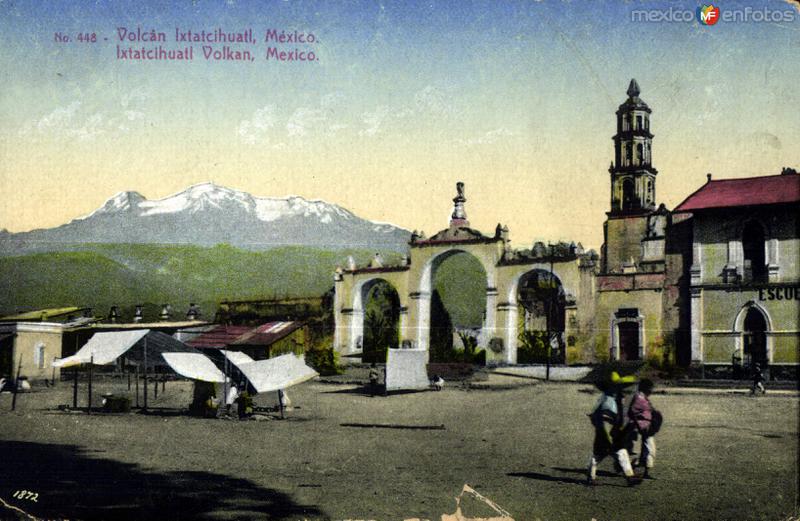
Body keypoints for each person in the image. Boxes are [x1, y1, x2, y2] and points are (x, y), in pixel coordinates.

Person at [587, 371, 641, 486]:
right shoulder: (609, 402)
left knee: (613, 454)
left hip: (607, 433)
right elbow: (605, 422)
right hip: (608, 434)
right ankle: (629, 476)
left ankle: (629, 476)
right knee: (603, 455)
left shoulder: (607, 398)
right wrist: (609, 438)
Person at [628, 378, 661, 479]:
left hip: (643, 428)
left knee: (646, 449)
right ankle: (642, 471)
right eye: (650, 388)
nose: (651, 391)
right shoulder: (640, 398)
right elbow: (634, 412)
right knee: (649, 449)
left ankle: (640, 469)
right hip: (642, 428)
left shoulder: (641, 397)